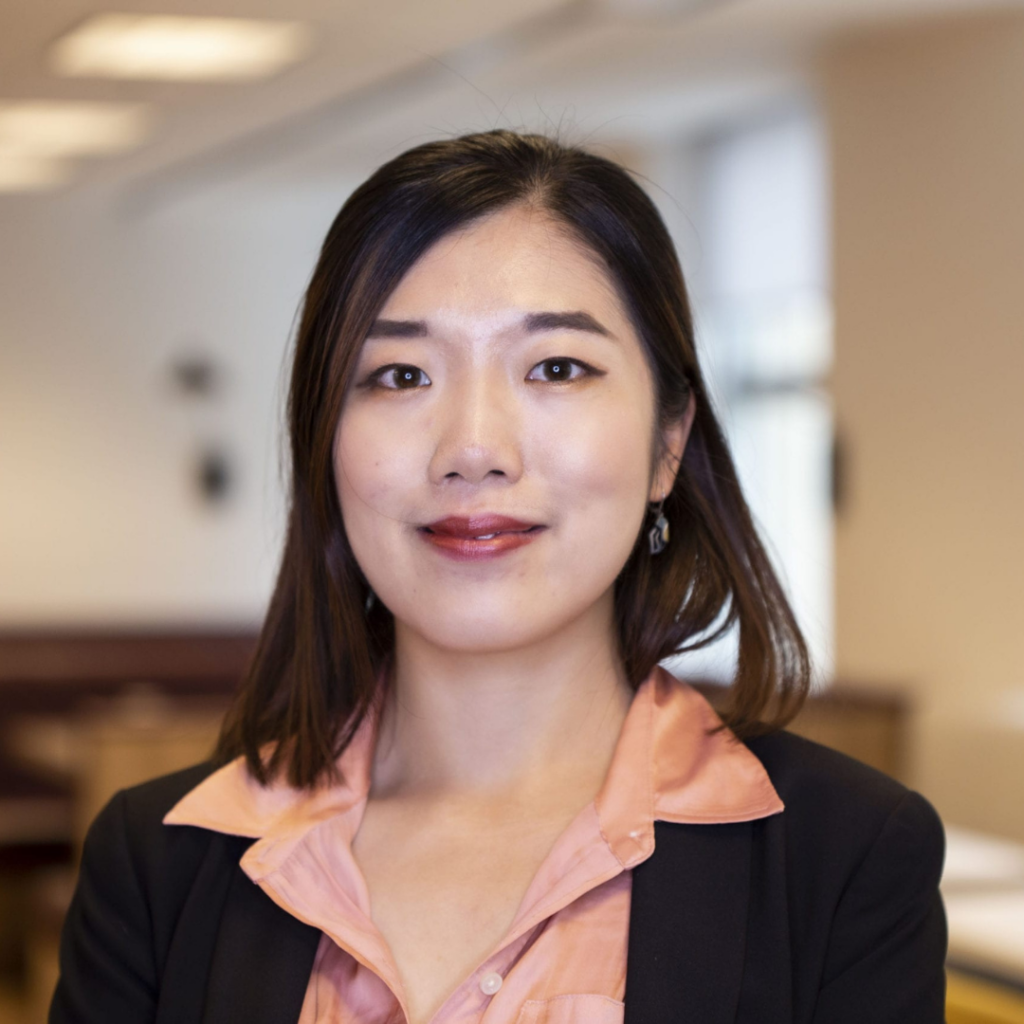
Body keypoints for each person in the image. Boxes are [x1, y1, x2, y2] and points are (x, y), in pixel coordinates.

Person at [49, 129, 947, 1024]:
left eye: (556, 367)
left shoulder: (846, 859)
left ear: (668, 443)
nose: (473, 448)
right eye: (401, 375)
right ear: (325, 441)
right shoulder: (157, 868)